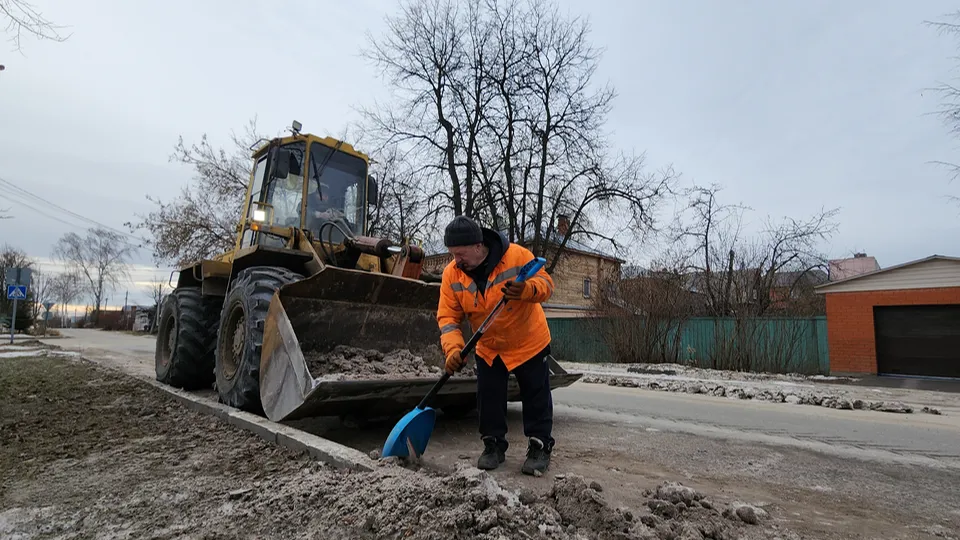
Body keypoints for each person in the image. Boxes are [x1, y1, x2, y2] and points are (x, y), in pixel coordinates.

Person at [437, 215, 557, 476]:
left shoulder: (516, 256)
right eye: (453, 254)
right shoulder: (452, 274)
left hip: (528, 340)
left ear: (478, 246)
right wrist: (453, 349)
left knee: (535, 395)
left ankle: (539, 446)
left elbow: (547, 285)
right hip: (489, 344)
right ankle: (493, 445)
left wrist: (527, 289)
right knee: (488, 396)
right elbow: (448, 318)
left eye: (460, 254)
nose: (456, 260)